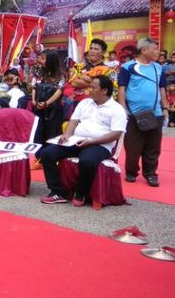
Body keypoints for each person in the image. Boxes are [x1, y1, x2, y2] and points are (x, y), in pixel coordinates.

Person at [36, 75, 126, 205]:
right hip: (76, 140)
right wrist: (66, 135)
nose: (89, 90)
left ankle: (80, 193)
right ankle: (56, 192)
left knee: (87, 161)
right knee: (46, 153)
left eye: (93, 88)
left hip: (100, 145)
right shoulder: (85, 103)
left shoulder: (116, 109)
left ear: (104, 90)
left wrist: (91, 142)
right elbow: (74, 121)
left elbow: (116, 134)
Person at [118, 38, 169, 187]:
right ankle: (131, 172)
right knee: (133, 146)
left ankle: (151, 174)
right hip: (134, 114)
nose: (157, 52)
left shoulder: (158, 68)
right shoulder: (128, 67)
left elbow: (162, 89)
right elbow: (122, 87)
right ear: (144, 50)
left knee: (153, 147)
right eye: (154, 49)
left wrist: (165, 108)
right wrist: (122, 109)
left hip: (156, 113)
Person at [64, 39, 111, 117]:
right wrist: (95, 82)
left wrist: (81, 76)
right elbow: (74, 82)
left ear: (103, 52)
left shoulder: (108, 69)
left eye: (96, 49)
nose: (92, 51)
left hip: (97, 105)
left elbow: (106, 87)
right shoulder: (78, 66)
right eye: (91, 48)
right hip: (77, 103)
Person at [31, 50, 65, 145]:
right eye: (40, 58)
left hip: (53, 109)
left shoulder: (60, 75)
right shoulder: (39, 72)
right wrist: (34, 100)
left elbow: (59, 91)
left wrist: (47, 103)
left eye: (43, 58)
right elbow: (34, 87)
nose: (40, 60)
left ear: (51, 60)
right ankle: (38, 157)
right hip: (38, 107)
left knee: (51, 134)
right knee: (38, 132)